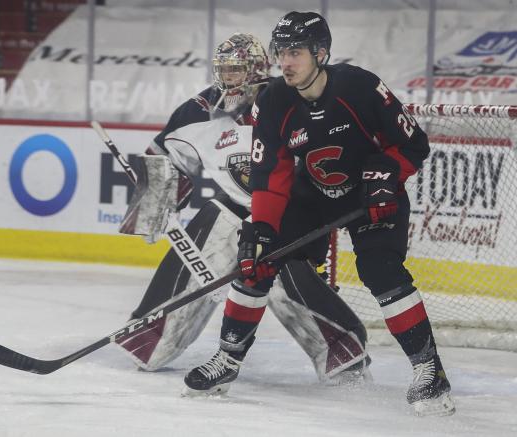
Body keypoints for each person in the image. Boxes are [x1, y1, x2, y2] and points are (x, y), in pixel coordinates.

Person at [183, 13, 455, 417]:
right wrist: (261, 227)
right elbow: (271, 174)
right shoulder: (273, 100)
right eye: (281, 53)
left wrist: (387, 173)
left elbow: (413, 144)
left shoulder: (360, 87)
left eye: (295, 52)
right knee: (256, 259)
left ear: (321, 53)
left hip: (371, 191)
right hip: (313, 196)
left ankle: (429, 369)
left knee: (381, 271)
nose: (285, 62)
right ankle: (227, 359)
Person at [116, 32, 371, 386]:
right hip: (230, 212)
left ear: (255, 69)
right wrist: (153, 206)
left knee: (286, 288)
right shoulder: (198, 110)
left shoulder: (290, 99)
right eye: (224, 70)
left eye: (236, 70)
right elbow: (163, 155)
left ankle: (343, 352)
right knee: (151, 348)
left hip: (285, 217)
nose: (228, 77)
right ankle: (150, 338)